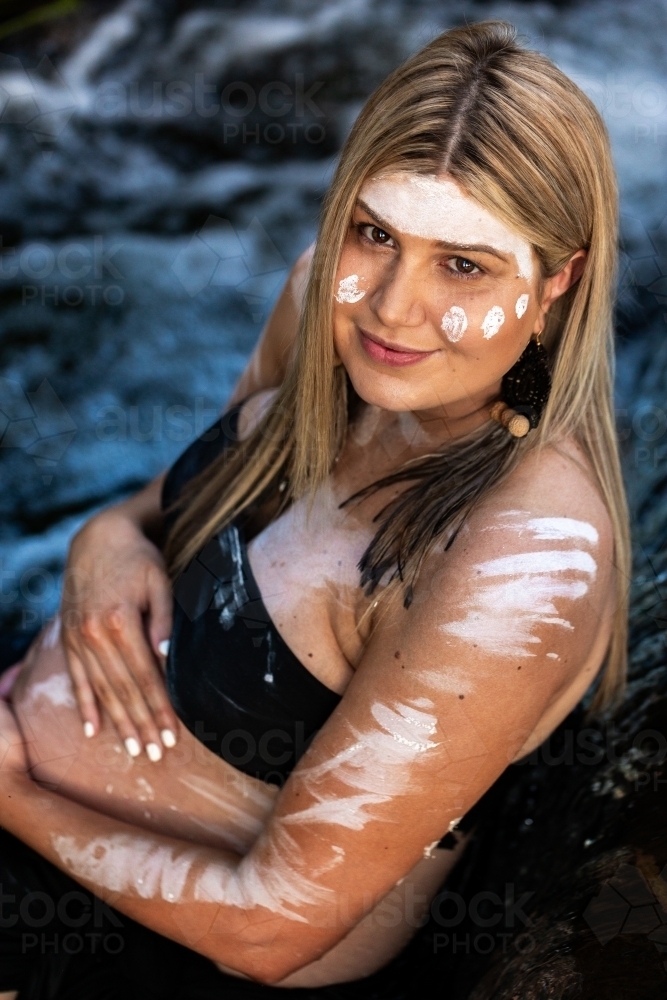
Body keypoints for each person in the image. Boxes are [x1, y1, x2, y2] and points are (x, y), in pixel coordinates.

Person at [0, 20, 629, 999]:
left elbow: (271, 927)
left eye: (462, 265)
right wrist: (108, 541)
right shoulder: (322, 310)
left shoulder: (520, 557)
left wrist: (12, 793)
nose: (389, 306)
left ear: (557, 282)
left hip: (155, 955)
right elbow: (187, 493)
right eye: (373, 233)